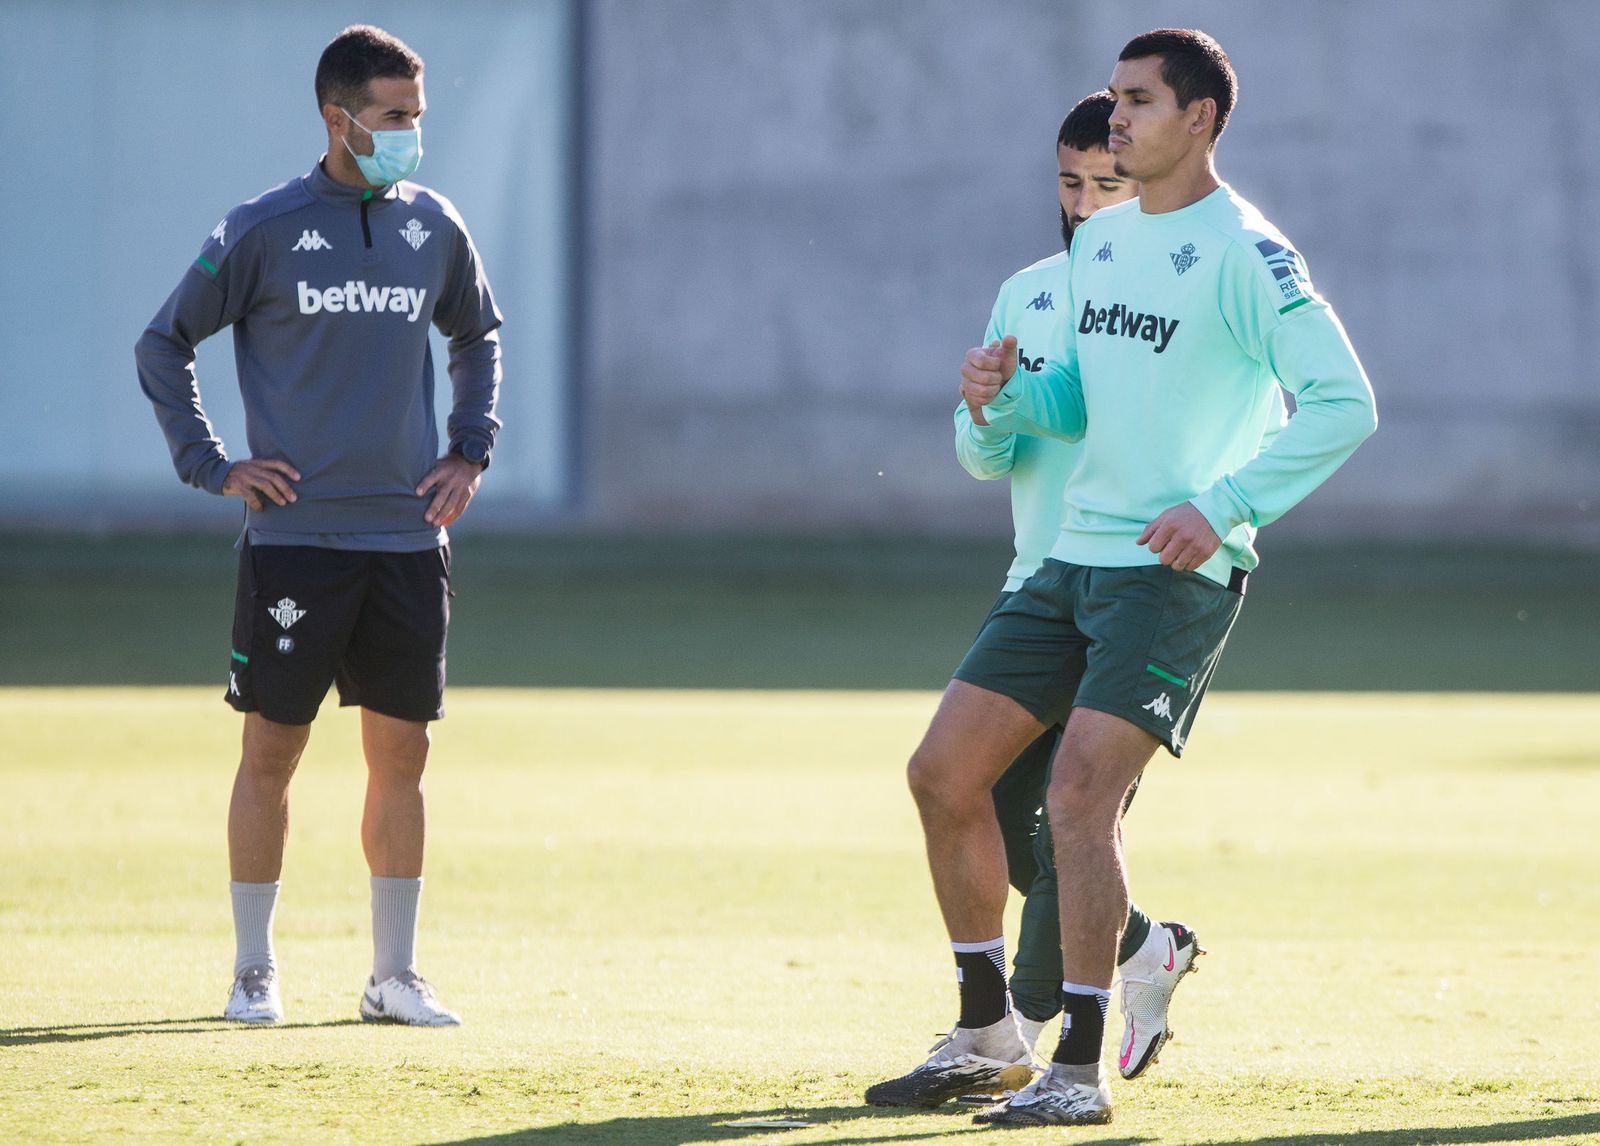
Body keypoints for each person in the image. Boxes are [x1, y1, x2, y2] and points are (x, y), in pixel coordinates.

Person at [913, 27, 1376, 1127]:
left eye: (1138, 101)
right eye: (1114, 99)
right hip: (1067, 557)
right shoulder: (1104, 242)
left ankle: (1077, 1071)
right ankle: (986, 1029)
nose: (1115, 118)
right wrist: (1001, 394)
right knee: (942, 775)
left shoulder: (1247, 253)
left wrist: (1221, 508)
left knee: (1078, 801)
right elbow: (1077, 403)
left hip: (1169, 576)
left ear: (1200, 118)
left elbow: (1345, 404)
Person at [134, 24, 503, 1028]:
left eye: (417, 118)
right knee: (271, 754)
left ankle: (394, 976)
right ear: (338, 119)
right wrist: (212, 467)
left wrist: (471, 444)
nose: (410, 136)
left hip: (407, 542)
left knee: (403, 759)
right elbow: (164, 343)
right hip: (296, 541)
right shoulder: (262, 227)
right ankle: (254, 973)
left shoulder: (434, 224)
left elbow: (477, 332)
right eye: (394, 119)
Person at [866, 91, 1205, 1112]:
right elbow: (986, 457)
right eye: (1069, 182)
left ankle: (1032, 1029)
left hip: (1136, 582)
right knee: (969, 792)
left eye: (1105, 181)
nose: (1086, 201)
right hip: (1036, 581)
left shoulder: (1180, 287)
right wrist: (982, 401)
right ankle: (1137, 954)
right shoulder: (1026, 290)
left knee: (1068, 816)